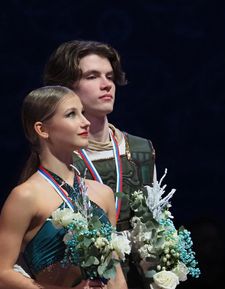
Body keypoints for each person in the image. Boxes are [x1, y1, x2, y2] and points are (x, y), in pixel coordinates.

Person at [43, 40, 156, 289]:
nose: (107, 85)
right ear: (65, 87)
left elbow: (152, 222)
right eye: (92, 76)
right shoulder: (58, 155)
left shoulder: (139, 149)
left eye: (110, 76)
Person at [0, 86, 127, 289]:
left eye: (82, 113)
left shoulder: (103, 193)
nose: (85, 122)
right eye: (71, 114)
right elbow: (2, 273)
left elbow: (116, 275)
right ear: (42, 129)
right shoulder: (25, 196)